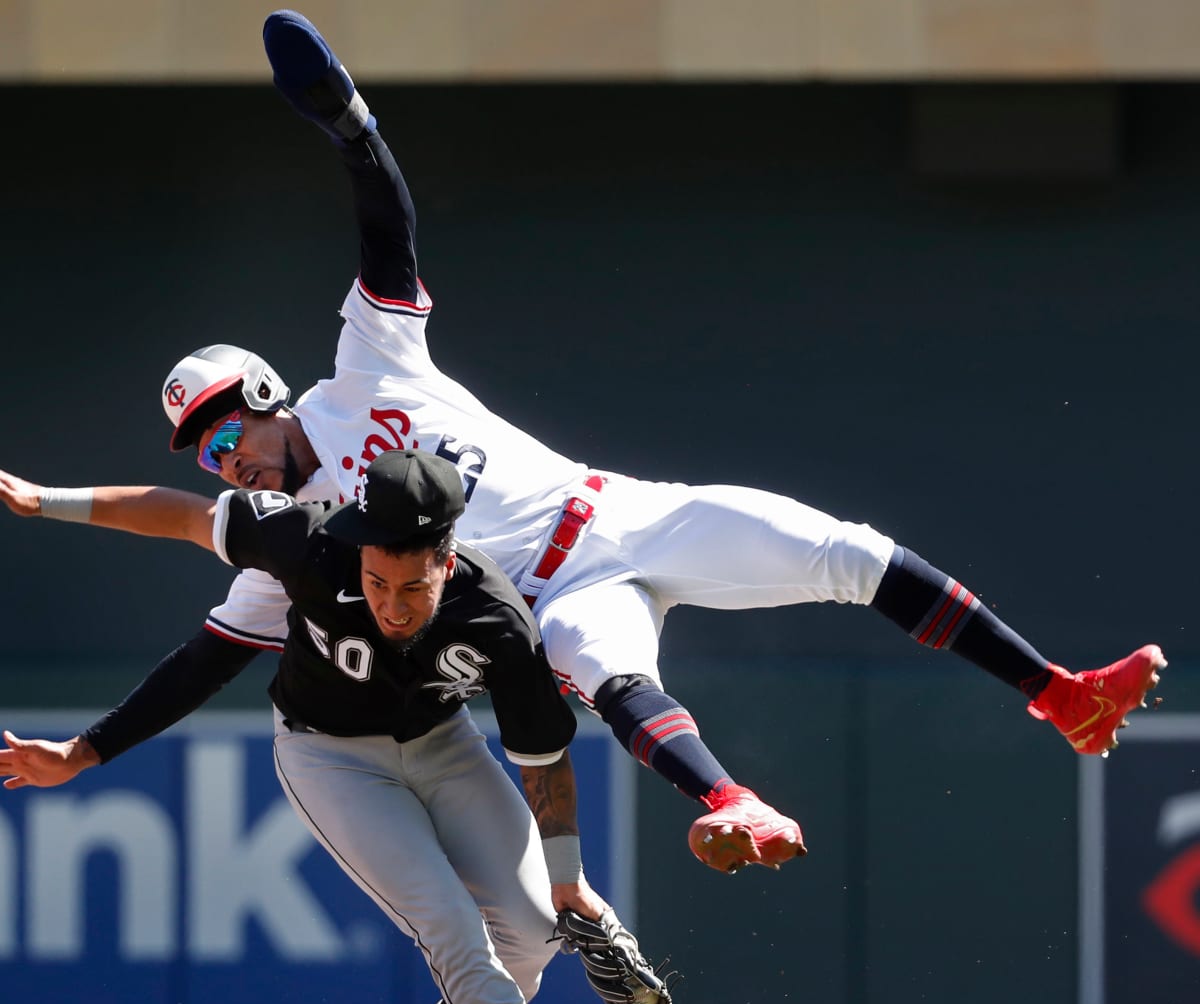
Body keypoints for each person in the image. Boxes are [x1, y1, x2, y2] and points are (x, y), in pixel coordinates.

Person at [27, 10, 1167, 879]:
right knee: (600, 664)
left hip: (623, 509)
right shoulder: (307, 548)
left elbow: (387, 227)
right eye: (203, 454)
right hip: (554, 589)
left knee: (845, 551)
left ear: (267, 396)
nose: (224, 459)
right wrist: (88, 754)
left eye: (226, 428)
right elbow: (203, 661)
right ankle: (732, 802)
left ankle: (1057, 692)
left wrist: (351, 125)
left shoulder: (361, 377)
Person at [0, 451, 648, 1004]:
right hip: (329, 757)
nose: (392, 605)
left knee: (532, 930)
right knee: (452, 929)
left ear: (448, 555)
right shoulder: (308, 540)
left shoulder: (494, 614)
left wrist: (568, 878)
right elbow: (182, 515)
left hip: (444, 746)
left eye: (413, 585)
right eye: (376, 580)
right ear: (359, 541)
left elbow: (545, 762)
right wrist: (49, 499)